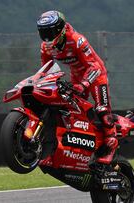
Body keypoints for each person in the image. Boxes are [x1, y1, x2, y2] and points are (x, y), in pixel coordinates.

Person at [37, 10, 118, 167]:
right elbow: (45, 69)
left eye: (50, 31)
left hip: (96, 75)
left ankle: (111, 143)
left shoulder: (77, 40)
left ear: (60, 29)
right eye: (43, 32)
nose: (47, 36)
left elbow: (94, 66)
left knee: (102, 110)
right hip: (76, 77)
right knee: (70, 110)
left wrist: (84, 84)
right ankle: (73, 150)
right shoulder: (46, 47)